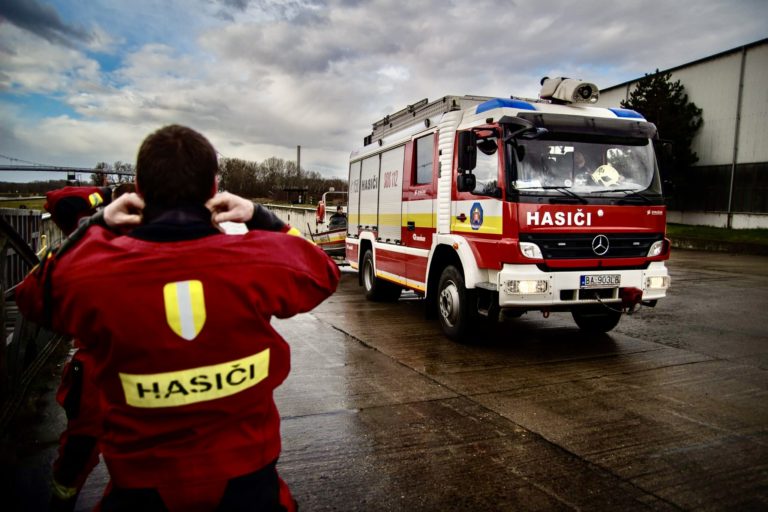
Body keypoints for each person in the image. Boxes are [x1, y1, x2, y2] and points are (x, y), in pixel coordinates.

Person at [16, 125, 340, 511]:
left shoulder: (93, 271)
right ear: (214, 188)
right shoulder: (259, 259)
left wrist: (96, 224)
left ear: (137, 188)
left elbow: (31, 297)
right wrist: (260, 216)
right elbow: (323, 270)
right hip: (250, 487)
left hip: (141, 490)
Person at [44, 183, 135, 512]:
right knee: (85, 446)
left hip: (109, 368)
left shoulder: (85, 254)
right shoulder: (111, 246)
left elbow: (36, 300)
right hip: (112, 368)